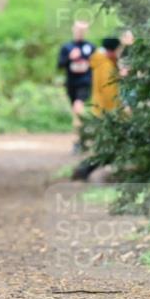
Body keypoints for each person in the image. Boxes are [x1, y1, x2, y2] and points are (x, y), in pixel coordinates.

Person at [72, 37, 121, 181]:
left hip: (101, 111)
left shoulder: (101, 62)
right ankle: (84, 171)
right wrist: (117, 111)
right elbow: (109, 92)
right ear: (112, 51)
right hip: (107, 113)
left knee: (108, 148)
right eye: (118, 51)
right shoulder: (106, 65)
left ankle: (84, 171)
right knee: (109, 148)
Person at [56, 20, 95, 152]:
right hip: (71, 83)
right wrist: (70, 58)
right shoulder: (67, 47)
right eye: (78, 30)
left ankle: (79, 140)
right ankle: (81, 138)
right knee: (75, 111)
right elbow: (60, 65)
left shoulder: (90, 47)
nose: (80, 32)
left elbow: (97, 65)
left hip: (85, 83)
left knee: (78, 109)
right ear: (73, 30)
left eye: (83, 30)